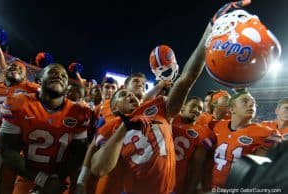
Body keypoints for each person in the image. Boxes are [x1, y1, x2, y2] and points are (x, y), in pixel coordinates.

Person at [88, 22, 212, 194]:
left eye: (131, 94)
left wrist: (210, 33)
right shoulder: (111, 126)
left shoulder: (159, 107)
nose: (130, 95)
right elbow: (99, 168)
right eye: (123, 95)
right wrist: (124, 128)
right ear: (114, 107)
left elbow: (187, 79)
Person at [0, 64, 94, 194]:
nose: (59, 77)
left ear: (66, 86)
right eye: (53, 73)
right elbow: (8, 150)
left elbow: (78, 154)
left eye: (64, 76)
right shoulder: (19, 104)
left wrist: (55, 180)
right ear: (39, 80)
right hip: (27, 175)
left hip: (60, 179)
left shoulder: (79, 112)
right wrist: (42, 179)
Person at [0, 40, 39, 194]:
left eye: (18, 68)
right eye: (11, 67)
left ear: (24, 76)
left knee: (7, 189)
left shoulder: (30, 88)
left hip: (14, 150)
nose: (13, 68)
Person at [211, 90, 282, 188]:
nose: (251, 104)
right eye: (245, 101)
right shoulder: (217, 126)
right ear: (232, 109)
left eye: (253, 103)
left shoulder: (268, 133)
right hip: (210, 186)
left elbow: (278, 164)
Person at [172, 97, 216, 194]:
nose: (196, 110)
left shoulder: (205, 133)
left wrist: (190, 189)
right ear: (183, 107)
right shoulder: (170, 118)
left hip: (176, 183)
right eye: (193, 106)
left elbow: (197, 167)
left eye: (200, 109)